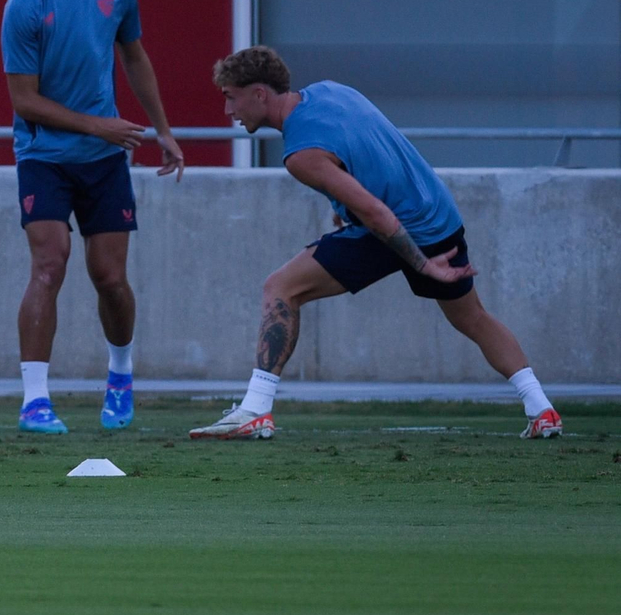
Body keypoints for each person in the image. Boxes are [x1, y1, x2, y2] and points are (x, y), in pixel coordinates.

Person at [191, 46, 562, 440]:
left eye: (231, 97)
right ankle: (542, 409)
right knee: (472, 318)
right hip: (440, 216)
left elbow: (376, 213)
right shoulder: (331, 90)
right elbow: (367, 151)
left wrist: (423, 264)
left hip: (395, 228)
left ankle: (254, 410)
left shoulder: (300, 154)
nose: (229, 111)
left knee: (281, 288)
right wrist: (345, 207)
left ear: (259, 93)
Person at [1, 0, 185, 435]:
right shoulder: (23, 6)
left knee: (110, 278)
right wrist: (99, 124)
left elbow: (134, 56)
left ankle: (120, 376)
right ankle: (35, 401)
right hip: (43, 157)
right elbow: (24, 101)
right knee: (49, 264)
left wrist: (163, 130)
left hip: (104, 162)